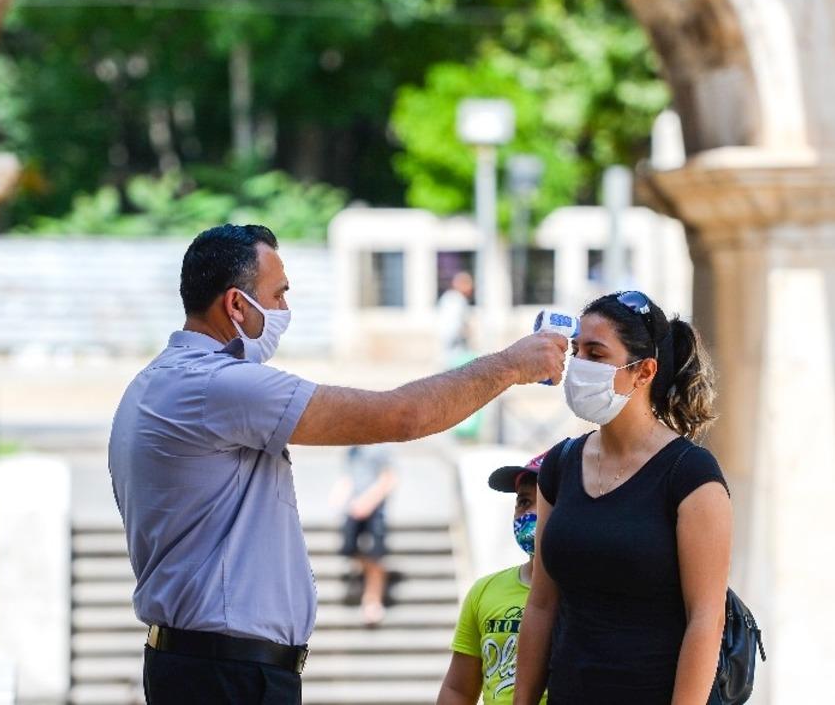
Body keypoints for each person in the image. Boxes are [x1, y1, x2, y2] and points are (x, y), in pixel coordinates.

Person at [108, 224, 567, 705]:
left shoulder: (156, 383)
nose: (285, 311)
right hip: (226, 674)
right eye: (278, 296)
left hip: (210, 666)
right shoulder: (216, 386)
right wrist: (512, 365)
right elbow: (403, 415)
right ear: (236, 305)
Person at [513, 291, 731, 705]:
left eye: (596, 354)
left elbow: (706, 618)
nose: (578, 366)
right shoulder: (560, 465)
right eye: (576, 351)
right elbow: (542, 604)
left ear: (644, 371)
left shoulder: (690, 475)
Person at [437, 452, 549, 705]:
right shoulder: (485, 591)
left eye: (544, 501)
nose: (529, 514)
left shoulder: (591, 592)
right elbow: (458, 689)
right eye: (523, 502)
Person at [331, 444, 396, 626]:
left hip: (374, 510)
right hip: (354, 509)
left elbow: (388, 479)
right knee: (349, 549)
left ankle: (372, 600)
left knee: (375, 556)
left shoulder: (379, 448)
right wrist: (340, 496)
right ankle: (364, 580)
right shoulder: (351, 450)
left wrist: (367, 502)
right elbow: (348, 477)